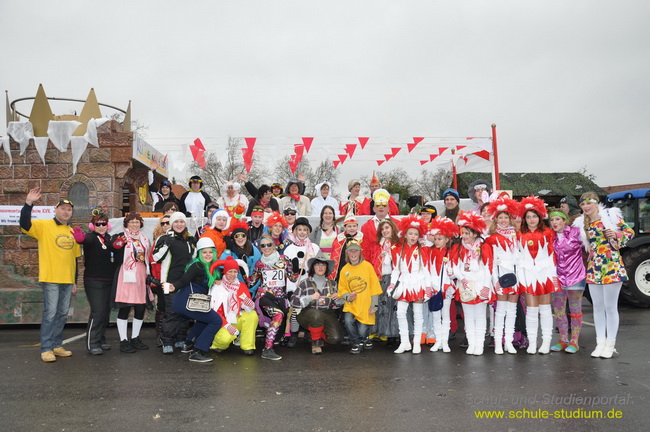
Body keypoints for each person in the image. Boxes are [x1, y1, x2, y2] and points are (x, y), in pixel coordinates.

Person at [20, 188, 81, 362]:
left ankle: (56, 345)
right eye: (63, 209)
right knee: (50, 313)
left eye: (69, 210)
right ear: (56, 210)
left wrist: (75, 281)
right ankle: (46, 348)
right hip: (51, 278)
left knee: (62, 314)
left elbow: (75, 258)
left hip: (67, 280)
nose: (66, 212)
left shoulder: (73, 231)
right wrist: (28, 203)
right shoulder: (44, 225)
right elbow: (25, 224)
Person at [574, 192, 634, 358]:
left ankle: (610, 344)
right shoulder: (582, 224)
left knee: (610, 307)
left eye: (589, 203)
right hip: (594, 267)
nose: (586, 207)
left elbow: (629, 232)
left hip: (611, 266)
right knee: (597, 307)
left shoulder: (610, 217)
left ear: (596, 203)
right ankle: (600, 342)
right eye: (583, 204)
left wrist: (616, 235)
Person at [165, 237, 223, 362]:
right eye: (204, 252)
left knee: (204, 320)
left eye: (210, 252)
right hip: (188, 302)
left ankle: (188, 343)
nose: (207, 255)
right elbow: (184, 280)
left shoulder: (213, 267)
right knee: (216, 321)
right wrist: (173, 286)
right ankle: (198, 350)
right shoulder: (197, 265)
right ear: (199, 253)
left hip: (192, 302)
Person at [517, 196, 560, 355]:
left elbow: (553, 255)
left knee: (545, 309)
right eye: (528, 217)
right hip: (528, 274)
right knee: (532, 310)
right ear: (524, 219)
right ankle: (533, 342)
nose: (531, 219)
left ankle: (546, 341)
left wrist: (552, 275)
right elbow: (518, 256)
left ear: (540, 217)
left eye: (534, 216)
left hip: (545, 274)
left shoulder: (548, 233)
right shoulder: (520, 234)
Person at [71, 212, 117, 355]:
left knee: (105, 313)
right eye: (98, 224)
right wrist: (79, 238)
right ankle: (92, 343)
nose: (101, 226)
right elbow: (83, 240)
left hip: (109, 280)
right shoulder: (91, 237)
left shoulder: (109, 238)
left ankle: (101, 339)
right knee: (97, 312)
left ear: (107, 225)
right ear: (93, 225)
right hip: (94, 281)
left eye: (104, 223)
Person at [449, 211, 494, 356]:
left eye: (468, 233)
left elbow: (488, 267)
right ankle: (471, 342)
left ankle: (479, 344)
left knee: (480, 315)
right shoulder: (459, 248)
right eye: (463, 233)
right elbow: (454, 266)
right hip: (465, 285)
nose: (465, 236)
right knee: (467, 316)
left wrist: (486, 286)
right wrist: (462, 278)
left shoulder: (484, 247)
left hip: (480, 284)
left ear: (475, 234)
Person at [153, 212, 197, 354]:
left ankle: (180, 338)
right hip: (169, 281)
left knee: (184, 312)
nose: (179, 224)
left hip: (185, 281)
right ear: (172, 224)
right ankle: (167, 341)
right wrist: (166, 245)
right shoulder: (164, 238)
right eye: (176, 222)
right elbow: (155, 257)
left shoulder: (190, 239)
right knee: (171, 312)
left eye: (182, 222)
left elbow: (195, 259)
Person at [387, 215, 431, 355]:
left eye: (416, 234)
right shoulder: (398, 249)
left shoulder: (423, 249)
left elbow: (427, 270)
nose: (413, 236)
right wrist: (392, 284)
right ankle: (404, 342)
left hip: (418, 284)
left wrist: (428, 288)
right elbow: (396, 270)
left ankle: (416, 342)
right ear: (405, 234)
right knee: (400, 313)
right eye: (410, 233)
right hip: (404, 284)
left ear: (419, 235)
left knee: (418, 314)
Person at [249, 234, 297, 360]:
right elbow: (252, 282)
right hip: (264, 296)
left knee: (279, 330)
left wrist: (295, 267)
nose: (266, 247)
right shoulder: (260, 263)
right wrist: (245, 272)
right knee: (278, 315)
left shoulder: (284, 259)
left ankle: (271, 340)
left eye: (269, 244)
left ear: (274, 246)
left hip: (280, 298)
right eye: (263, 245)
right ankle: (267, 349)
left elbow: (293, 278)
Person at [111, 212, 152, 354]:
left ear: (141, 224)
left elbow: (147, 256)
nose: (134, 224)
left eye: (137, 222)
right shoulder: (121, 237)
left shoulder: (145, 239)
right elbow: (114, 247)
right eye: (131, 222)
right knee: (125, 307)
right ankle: (123, 340)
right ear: (126, 224)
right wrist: (118, 244)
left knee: (140, 307)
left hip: (141, 274)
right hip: (127, 275)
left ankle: (135, 337)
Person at [484, 198, 521, 355]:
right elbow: (489, 262)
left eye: (506, 217)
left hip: (515, 277)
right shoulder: (491, 238)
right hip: (499, 277)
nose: (504, 220)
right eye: (500, 217)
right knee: (500, 311)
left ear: (510, 219)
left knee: (512, 311)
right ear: (496, 219)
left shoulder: (516, 235)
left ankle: (509, 342)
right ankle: (498, 342)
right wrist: (494, 280)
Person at [548, 208, 586, 354]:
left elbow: (589, 245)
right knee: (558, 310)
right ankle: (563, 340)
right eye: (552, 220)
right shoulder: (551, 237)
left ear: (565, 220)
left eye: (557, 219)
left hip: (576, 277)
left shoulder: (576, 232)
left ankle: (574, 341)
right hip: (558, 278)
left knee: (575, 310)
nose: (554, 222)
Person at [292, 253, 344, 355]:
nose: (320, 267)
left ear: (326, 268)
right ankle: (315, 343)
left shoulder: (333, 283)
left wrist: (339, 299)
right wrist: (309, 298)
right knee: (316, 314)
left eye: (323, 265)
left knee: (335, 339)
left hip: (328, 313)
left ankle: (318, 335)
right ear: (313, 267)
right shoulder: (305, 283)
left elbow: (337, 305)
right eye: (317, 264)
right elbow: (293, 301)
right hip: (307, 314)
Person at [338, 241, 382, 354]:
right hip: (351, 304)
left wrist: (374, 305)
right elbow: (342, 289)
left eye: (355, 251)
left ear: (360, 252)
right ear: (347, 253)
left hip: (365, 304)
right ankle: (357, 341)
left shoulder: (367, 266)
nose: (353, 253)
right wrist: (348, 297)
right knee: (347, 321)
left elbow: (375, 287)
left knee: (363, 329)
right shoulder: (345, 269)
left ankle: (364, 338)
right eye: (350, 251)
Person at [209, 257, 259, 355]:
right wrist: (227, 326)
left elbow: (246, 306)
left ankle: (247, 346)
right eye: (230, 271)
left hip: (237, 317)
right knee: (224, 339)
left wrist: (249, 306)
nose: (232, 274)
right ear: (225, 272)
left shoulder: (242, 285)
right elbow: (214, 312)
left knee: (252, 315)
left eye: (235, 272)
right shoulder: (218, 287)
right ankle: (217, 343)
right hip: (222, 321)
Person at [366, 219, 401, 346]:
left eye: (387, 228)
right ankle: (381, 332)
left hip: (394, 278)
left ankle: (393, 334)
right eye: (383, 229)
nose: (385, 231)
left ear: (392, 228)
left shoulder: (398, 243)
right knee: (381, 305)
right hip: (380, 278)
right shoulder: (377, 245)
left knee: (393, 307)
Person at [427, 216, 459, 353]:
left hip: (446, 287)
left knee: (445, 315)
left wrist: (450, 269)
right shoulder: (430, 252)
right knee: (435, 315)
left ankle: (445, 342)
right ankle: (437, 340)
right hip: (434, 287)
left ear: (447, 239)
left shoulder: (451, 252)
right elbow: (427, 270)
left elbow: (454, 273)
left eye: (440, 238)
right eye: (435, 238)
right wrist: (431, 285)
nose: (437, 241)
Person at [221, 220, 262, 297]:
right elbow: (222, 265)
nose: (240, 238)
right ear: (234, 238)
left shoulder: (253, 250)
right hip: (232, 286)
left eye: (243, 235)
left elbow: (257, 271)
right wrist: (227, 250)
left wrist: (251, 289)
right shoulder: (231, 250)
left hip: (250, 288)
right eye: (237, 236)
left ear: (246, 237)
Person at [150, 214, 171, 345]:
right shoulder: (157, 240)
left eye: (168, 222)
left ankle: (172, 335)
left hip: (174, 279)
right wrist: (155, 279)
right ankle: (160, 335)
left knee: (172, 308)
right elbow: (153, 260)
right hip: (161, 280)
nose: (165, 225)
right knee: (162, 307)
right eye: (162, 223)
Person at [330, 215, 364, 281]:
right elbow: (334, 255)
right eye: (349, 226)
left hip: (357, 267)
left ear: (357, 227)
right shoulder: (339, 238)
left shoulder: (362, 238)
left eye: (354, 226)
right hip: (342, 267)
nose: (352, 228)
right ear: (345, 227)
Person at [360, 189, 394, 254]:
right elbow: (364, 250)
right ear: (373, 209)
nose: (381, 207)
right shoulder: (365, 227)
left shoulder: (398, 224)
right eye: (378, 205)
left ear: (388, 208)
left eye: (384, 205)